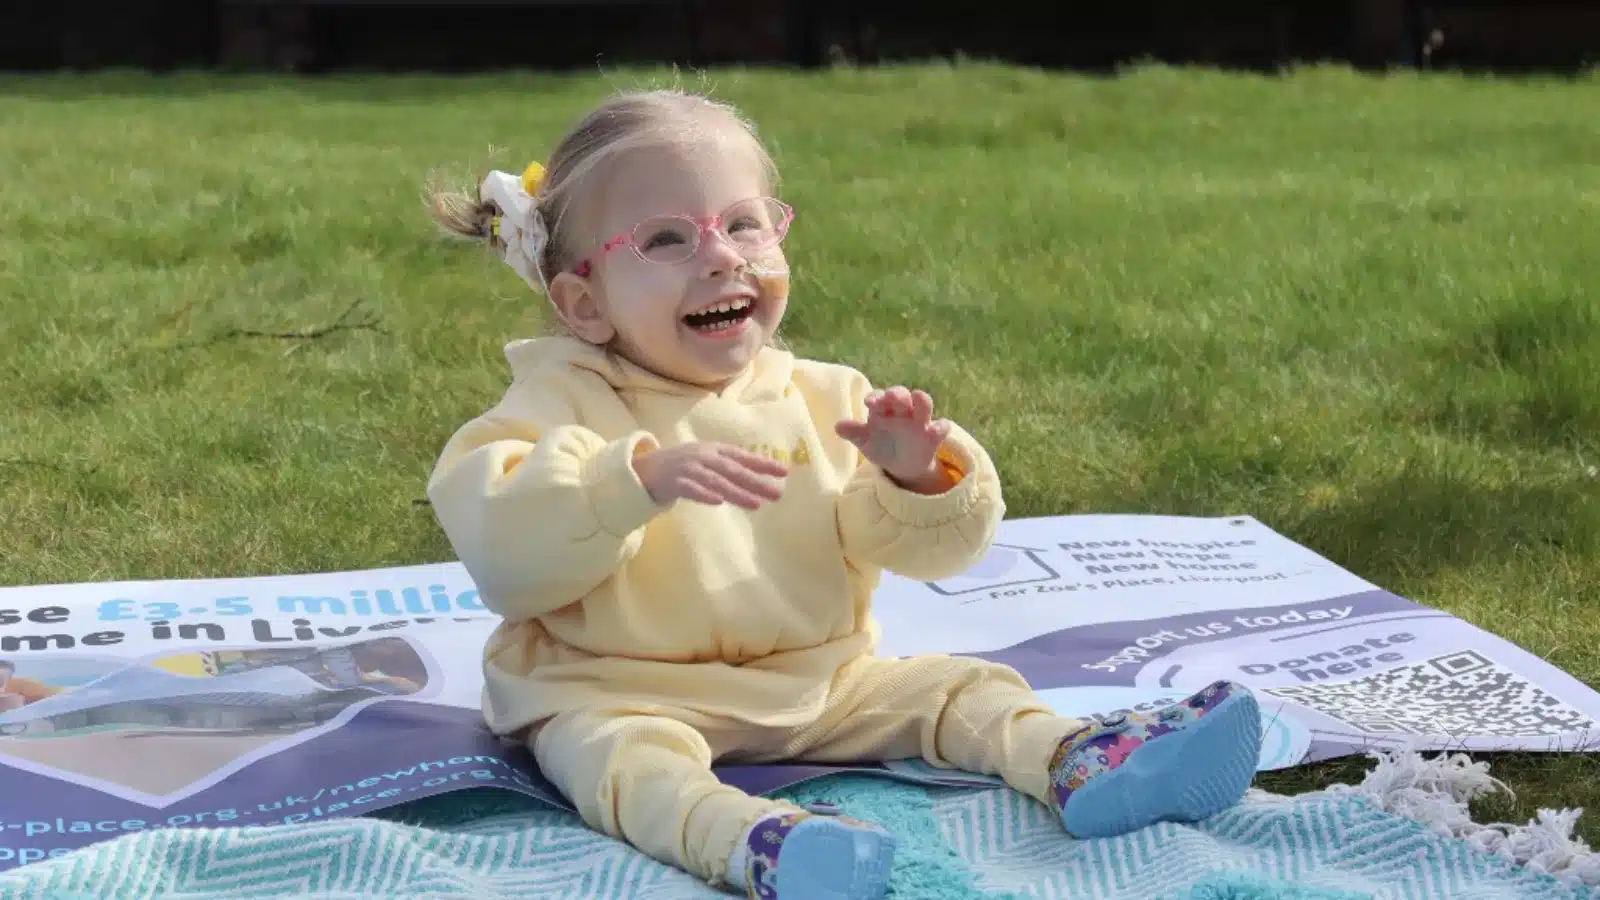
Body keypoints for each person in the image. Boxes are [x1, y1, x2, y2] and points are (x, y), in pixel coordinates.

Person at [423, 88, 1262, 900]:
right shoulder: (553, 404)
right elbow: (503, 549)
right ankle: (753, 842)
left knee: (958, 689)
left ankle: (1076, 761)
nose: (723, 256)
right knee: (626, 768)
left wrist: (916, 476)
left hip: (818, 681)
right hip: (610, 687)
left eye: (744, 224)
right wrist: (628, 482)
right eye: (667, 239)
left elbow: (919, 545)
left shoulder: (825, 395)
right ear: (584, 303)